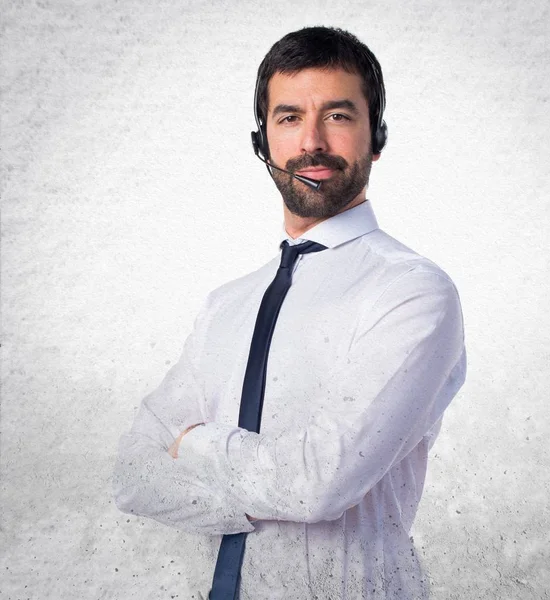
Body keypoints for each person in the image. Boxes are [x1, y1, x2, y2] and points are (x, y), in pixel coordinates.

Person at [113, 26, 466, 600]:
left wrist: (193, 444)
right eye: (288, 117)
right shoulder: (226, 305)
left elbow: (319, 484)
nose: (312, 141)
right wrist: (265, 492)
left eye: (338, 115)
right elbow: (132, 475)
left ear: (376, 137)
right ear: (263, 141)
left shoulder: (412, 293)